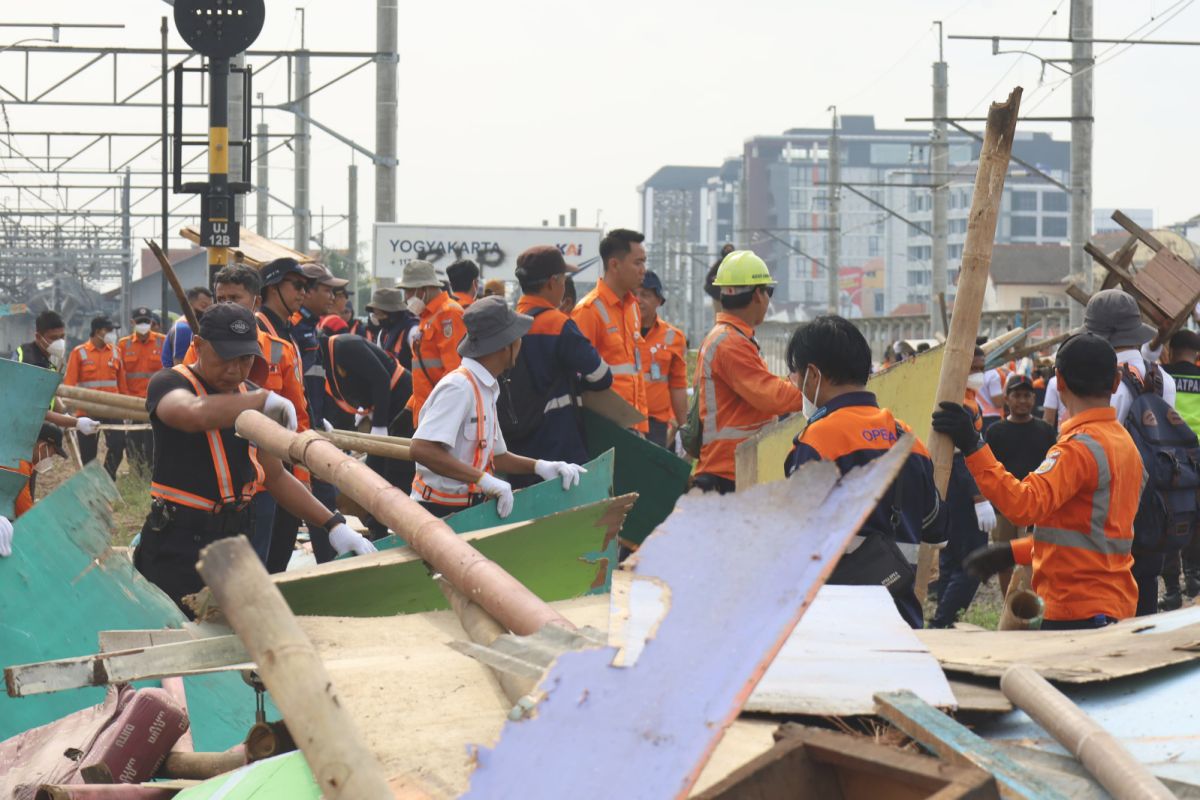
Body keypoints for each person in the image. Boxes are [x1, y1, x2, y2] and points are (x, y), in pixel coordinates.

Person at [135, 303, 375, 614]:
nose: (234, 370)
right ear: (198, 346)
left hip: (235, 540)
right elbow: (192, 414)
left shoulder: (246, 393)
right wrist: (260, 400)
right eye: (224, 357)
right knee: (179, 635)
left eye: (245, 359)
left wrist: (332, 524)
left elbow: (273, 476)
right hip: (178, 543)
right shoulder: (171, 383)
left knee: (235, 637)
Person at [932, 333, 1141, 630]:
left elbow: (1024, 505)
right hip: (1113, 604)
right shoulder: (1124, 444)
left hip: (1075, 609)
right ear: (1117, 381)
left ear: (1059, 381)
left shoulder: (1078, 449)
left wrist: (972, 445)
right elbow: (1088, 533)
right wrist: (1013, 552)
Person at [783, 316, 947, 628]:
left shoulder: (817, 442)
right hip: (902, 619)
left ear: (813, 375)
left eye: (796, 375)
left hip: (837, 623)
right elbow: (936, 528)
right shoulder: (909, 441)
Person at [409, 297, 586, 518]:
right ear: (505, 346)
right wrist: (483, 479)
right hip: (438, 511)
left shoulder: (487, 387)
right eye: (518, 338)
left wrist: (540, 466)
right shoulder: (459, 387)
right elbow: (421, 449)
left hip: (467, 509)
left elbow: (496, 455)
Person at [184, 265, 312, 567]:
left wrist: (303, 477)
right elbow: (189, 400)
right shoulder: (200, 349)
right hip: (214, 479)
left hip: (266, 480)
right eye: (220, 297)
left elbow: (300, 421)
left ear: (255, 301)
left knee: (260, 567)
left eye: (235, 298)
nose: (226, 304)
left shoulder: (280, 351)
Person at [1083, 289, 1176, 615]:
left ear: (1101, 336)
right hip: (1158, 494)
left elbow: (1102, 443)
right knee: (1146, 580)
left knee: (1112, 582)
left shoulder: (1108, 384)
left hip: (1116, 499)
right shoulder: (1163, 378)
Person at [692, 251, 804, 494]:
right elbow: (770, 396)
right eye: (768, 291)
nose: (768, 299)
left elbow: (760, 387)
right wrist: (817, 389)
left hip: (730, 468)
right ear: (757, 295)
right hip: (728, 471)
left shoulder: (727, 338)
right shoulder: (730, 343)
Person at [506, 246, 612, 486]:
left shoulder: (509, 324)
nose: (564, 286)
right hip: (559, 448)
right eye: (564, 279)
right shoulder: (558, 324)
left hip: (517, 453)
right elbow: (601, 375)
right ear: (553, 283)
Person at [930, 347, 996, 629]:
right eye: (973, 368)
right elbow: (960, 455)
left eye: (981, 367)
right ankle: (944, 621)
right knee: (972, 562)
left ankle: (941, 620)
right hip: (961, 483)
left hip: (953, 482)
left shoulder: (965, 398)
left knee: (952, 557)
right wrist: (979, 497)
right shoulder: (957, 403)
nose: (978, 374)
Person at [319, 333, 413, 529]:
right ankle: (377, 525)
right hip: (384, 407)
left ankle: (396, 524)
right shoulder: (329, 356)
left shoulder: (345, 346)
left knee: (395, 469)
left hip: (402, 402)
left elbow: (381, 378)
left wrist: (379, 425)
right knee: (374, 469)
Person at [982, 373, 1058, 596]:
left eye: (1027, 395)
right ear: (1007, 399)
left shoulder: (1045, 431)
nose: (1022, 400)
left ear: (1034, 400)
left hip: (1035, 505)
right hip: (1004, 507)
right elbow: (988, 469)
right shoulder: (995, 432)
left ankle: (1032, 600)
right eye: (1017, 395)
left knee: (1034, 555)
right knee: (1003, 557)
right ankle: (1009, 601)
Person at [291, 262, 347, 563]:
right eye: (326, 289)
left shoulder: (310, 328)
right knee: (319, 497)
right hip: (300, 431)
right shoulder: (296, 330)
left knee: (323, 495)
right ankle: (328, 566)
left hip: (311, 425)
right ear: (307, 291)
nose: (332, 296)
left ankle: (328, 562)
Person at [572, 229, 649, 433]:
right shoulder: (588, 311)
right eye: (637, 263)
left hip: (633, 424)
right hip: (604, 428)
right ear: (614, 264)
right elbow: (576, 376)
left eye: (644, 262)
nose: (643, 270)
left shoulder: (633, 308)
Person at [1158, 329, 1200, 608]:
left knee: (1169, 519)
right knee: (1197, 519)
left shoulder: (1162, 375)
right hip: (1199, 453)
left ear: (1171, 349)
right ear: (1196, 353)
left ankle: (1172, 589)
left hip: (1171, 457)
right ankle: (1194, 577)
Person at [398, 260, 466, 424]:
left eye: (408, 291)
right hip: (428, 411)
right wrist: (409, 408)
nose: (406, 297)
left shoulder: (449, 314)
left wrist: (438, 413)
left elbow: (454, 373)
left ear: (423, 289)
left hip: (441, 414)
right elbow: (424, 372)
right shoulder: (428, 317)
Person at [63, 316, 128, 479]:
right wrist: (67, 410)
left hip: (112, 409)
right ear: (99, 331)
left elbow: (122, 384)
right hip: (86, 410)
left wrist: (126, 409)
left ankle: (107, 478)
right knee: (88, 456)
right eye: (110, 330)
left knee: (118, 446)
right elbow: (69, 384)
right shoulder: (79, 353)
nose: (113, 334)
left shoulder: (115, 351)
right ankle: (92, 486)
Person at [0, 424, 69, 558]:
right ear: (42, 446)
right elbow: (25, 512)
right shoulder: (19, 466)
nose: (49, 459)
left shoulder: (20, 460)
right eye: (51, 453)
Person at [636, 270, 687, 449]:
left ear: (659, 301)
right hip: (625, 419)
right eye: (634, 294)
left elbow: (678, 385)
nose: (638, 300)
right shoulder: (617, 331)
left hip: (656, 423)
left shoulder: (674, 338)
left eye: (646, 295)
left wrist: (684, 427)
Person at [119, 306, 166, 470]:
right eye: (140, 322)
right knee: (133, 442)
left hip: (156, 403)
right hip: (133, 403)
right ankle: (136, 472)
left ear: (152, 322)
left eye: (146, 321)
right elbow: (121, 375)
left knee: (153, 442)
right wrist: (125, 401)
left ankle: (152, 473)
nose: (144, 324)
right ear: (133, 322)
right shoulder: (123, 345)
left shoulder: (163, 341)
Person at [368, 287, 418, 371]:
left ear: (392, 314)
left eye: (379, 314)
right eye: (375, 314)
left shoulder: (412, 331)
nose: (377, 318)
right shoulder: (383, 334)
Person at [162, 287, 213, 368]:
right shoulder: (183, 329)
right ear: (190, 306)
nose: (207, 311)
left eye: (210, 307)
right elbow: (179, 365)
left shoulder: (197, 327)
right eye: (203, 306)